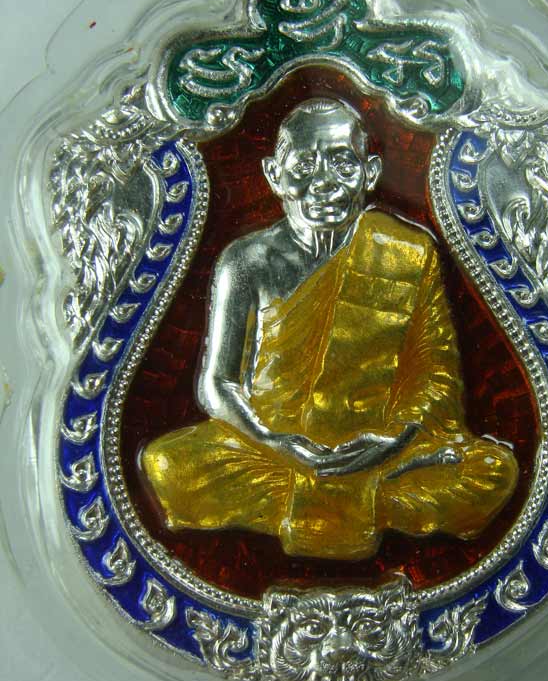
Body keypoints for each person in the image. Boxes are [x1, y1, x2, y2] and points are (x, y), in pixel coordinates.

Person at [141, 98, 518, 560]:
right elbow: (217, 384)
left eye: (342, 163)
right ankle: (360, 505)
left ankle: (334, 500)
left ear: (370, 173)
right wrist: (274, 441)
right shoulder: (246, 261)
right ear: (274, 175)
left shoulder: (408, 252)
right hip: (272, 449)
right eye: (304, 165)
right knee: (169, 466)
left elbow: (436, 378)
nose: (323, 182)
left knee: (493, 472)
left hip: (378, 451)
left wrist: (394, 441)